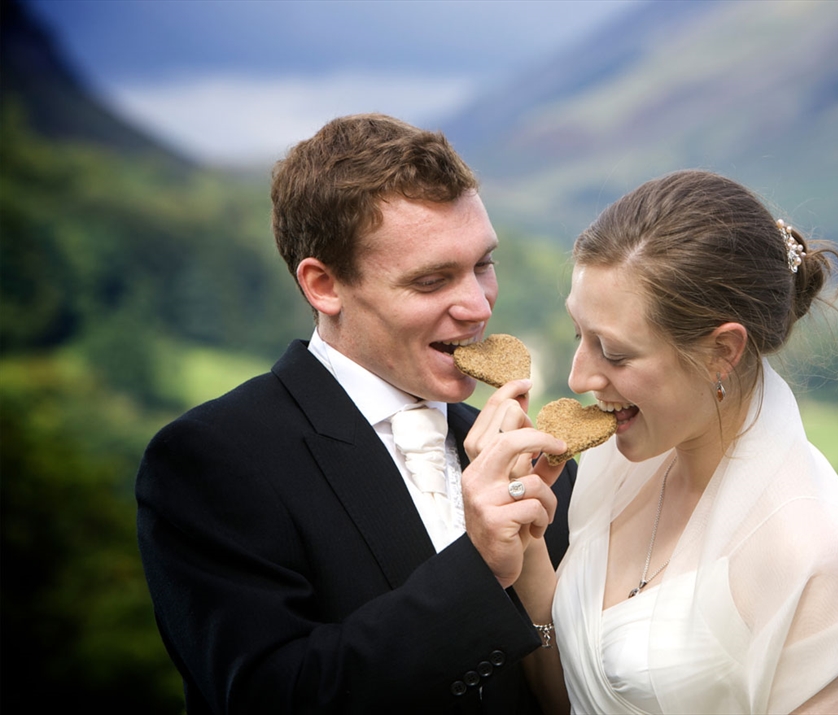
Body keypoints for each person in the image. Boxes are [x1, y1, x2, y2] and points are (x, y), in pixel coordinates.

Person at [136, 113, 576, 714]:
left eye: (482, 265)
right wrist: (476, 567)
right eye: (431, 280)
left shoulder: (536, 466)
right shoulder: (213, 458)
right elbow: (271, 698)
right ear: (324, 285)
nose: (477, 306)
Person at [469, 169, 838, 713]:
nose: (579, 379)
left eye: (614, 352)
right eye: (580, 335)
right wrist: (528, 550)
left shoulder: (815, 553)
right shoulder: (612, 466)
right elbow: (568, 694)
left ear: (723, 350)